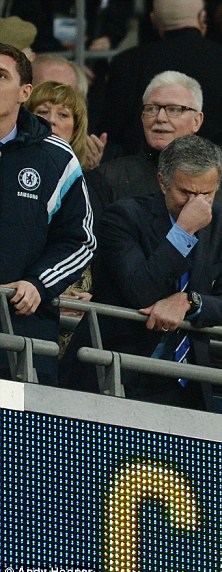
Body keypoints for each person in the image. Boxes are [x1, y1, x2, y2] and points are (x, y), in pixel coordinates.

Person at [60, 134, 222, 410]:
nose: (196, 204)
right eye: (186, 193)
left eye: (206, 194)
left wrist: (188, 302)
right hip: (115, 373)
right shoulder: (123, 216)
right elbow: (141, 291)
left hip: (186, 383)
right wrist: (183, 231)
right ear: (162, 182)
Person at [86, 70, 222, 256]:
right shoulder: (108, 178)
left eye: (174, 109)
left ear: (197, 121)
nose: (160, 118)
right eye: (152, 109)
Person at [0, 43, 95, 385]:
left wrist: (39, 283)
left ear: (24, 92)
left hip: (23, 332)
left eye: (1, 76)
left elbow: (79, 241)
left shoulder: (56, 157)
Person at [98, 0, 222, 166]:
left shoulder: (127, 63)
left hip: (143, 174)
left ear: (153, 20)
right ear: (202, 17)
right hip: (215, 173)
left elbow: (111, 132)